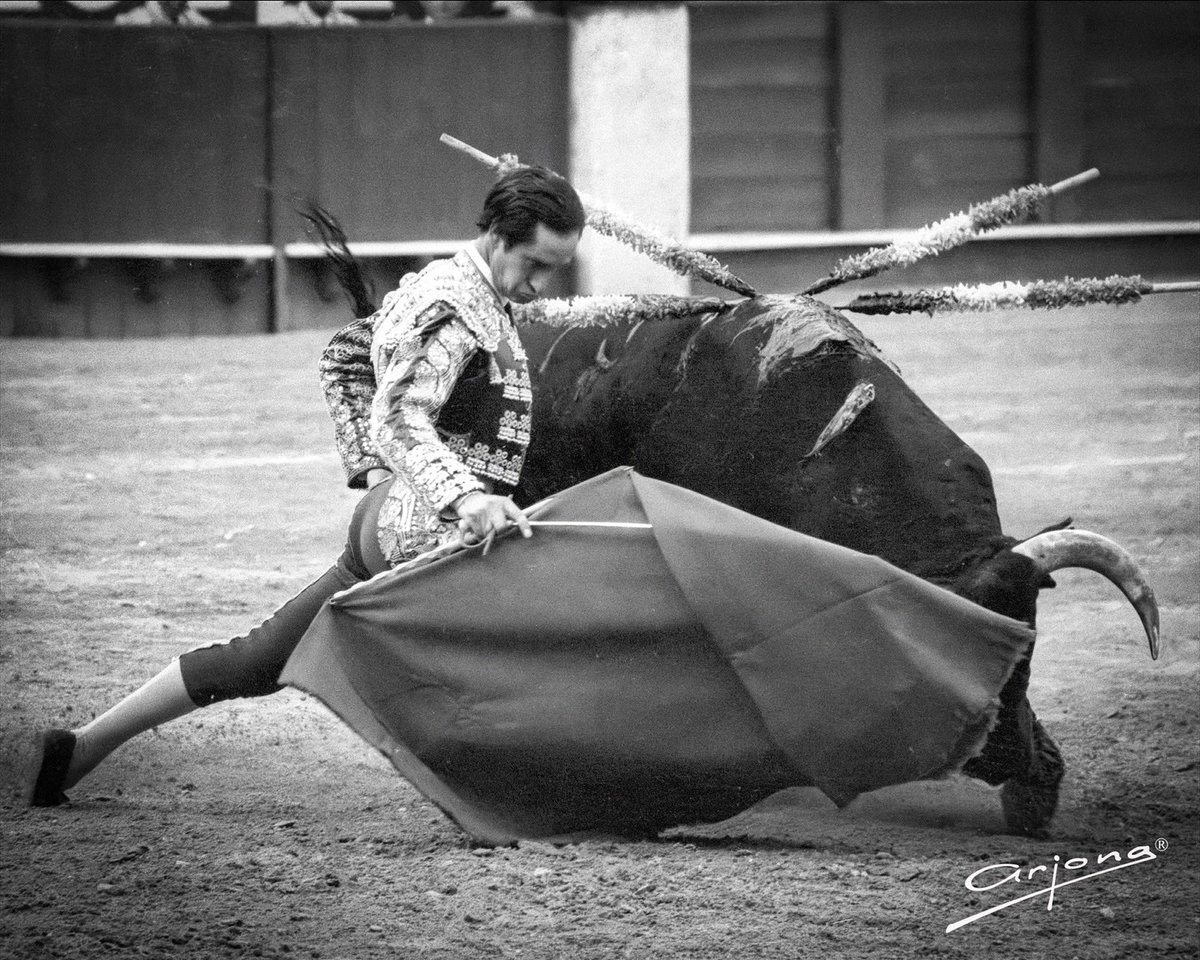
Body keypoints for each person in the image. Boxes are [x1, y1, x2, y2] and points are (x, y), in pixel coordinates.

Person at [31, 165, 586, 806]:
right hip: (437, 539)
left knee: (258, 660)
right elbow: (398, 416)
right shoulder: (453, 309)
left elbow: (345, 356)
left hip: (404, 525)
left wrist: (382, 481)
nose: (540, 283)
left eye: (554, 269)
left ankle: (80, 747)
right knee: (550, 635)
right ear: (496, 234)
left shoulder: (456, 290)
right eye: (535, 264)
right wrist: (462, 496)